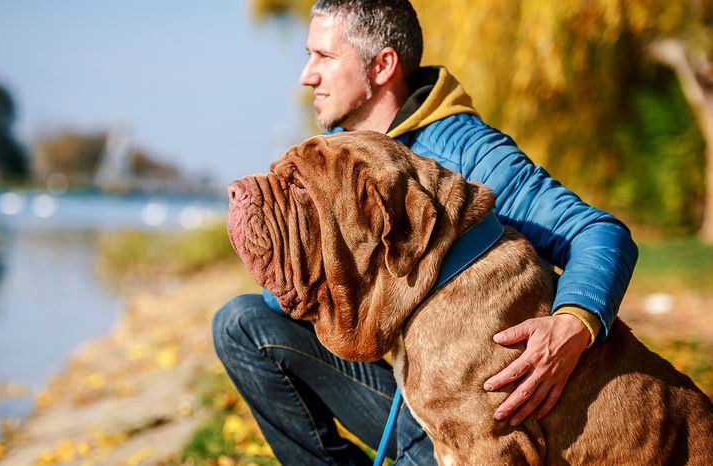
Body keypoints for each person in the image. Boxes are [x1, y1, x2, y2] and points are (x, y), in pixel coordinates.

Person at [213, 0, 638, 464]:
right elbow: (289, 295)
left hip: (463, 399)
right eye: (309, 55)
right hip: (395, 384)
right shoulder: (340, 157)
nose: (307, 75)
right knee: (241, 323)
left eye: (325, 57)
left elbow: (598, 232)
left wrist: (572, 326)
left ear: (382, 66)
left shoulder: (470, 154)